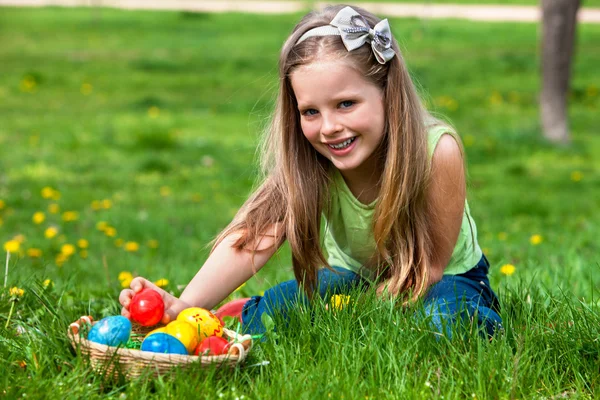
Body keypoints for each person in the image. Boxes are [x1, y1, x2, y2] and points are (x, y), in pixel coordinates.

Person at [120, 4, 502, 339]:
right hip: (356, 279)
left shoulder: (437, 151)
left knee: (442, 323)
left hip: (441, 280)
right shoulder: (312, 159)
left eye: (346, 103)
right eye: (311, 112)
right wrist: (182, 305)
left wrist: (356, 314)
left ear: (387, 91)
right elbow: (253, 236)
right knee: (280, 309)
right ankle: (245, 309)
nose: (330, 126)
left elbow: (429, 269)